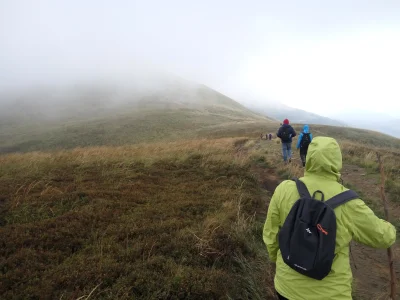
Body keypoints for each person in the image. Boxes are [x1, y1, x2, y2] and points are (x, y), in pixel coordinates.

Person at [263, 137, 396, 300]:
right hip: (330, 294)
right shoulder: (350, 203)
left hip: (286, 287)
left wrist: (277, 261)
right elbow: (383, 237)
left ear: (309, 158)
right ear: (337, 161)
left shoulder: (284, 189)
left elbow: (270, 234)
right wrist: (390, 227)